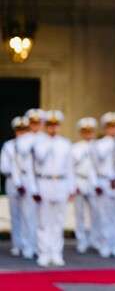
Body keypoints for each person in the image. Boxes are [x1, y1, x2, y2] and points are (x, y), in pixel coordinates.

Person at [31, 110, 74, 267]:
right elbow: (34, 166)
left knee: (58, 221)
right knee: (44, 220)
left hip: (61, 183)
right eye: (50, 125)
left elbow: (70, 168)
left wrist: (71, 188)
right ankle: (44, 253)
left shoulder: (65, 143)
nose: (53, 128)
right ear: (45, 126)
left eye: (56, 125)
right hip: (44, 182)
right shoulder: (39, 143)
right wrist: (34, 189)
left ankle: (56, 253)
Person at [93, 111, 115, 258]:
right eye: (110, 127)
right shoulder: (99, 144)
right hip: (104, 180)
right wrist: (96, 184)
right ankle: (105, 243)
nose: (113, 130)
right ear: (105, 128)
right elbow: (94, 166)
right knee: (104, 216)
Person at [0, 116, 29, 257]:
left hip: (28, 180)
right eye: (19, 130)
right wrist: (16, 171)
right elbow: (4, 167)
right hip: (12, 181)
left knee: (29, 214)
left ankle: (29, 244)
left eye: (24, 130)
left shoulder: (33, 144)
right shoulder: (9, 146)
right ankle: (17, 244)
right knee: (15, 214)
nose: (21, 132)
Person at [15, 111, 41, 259]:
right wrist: (18, 182)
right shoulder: (22, 140)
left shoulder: (46, 139)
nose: (35, 125)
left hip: (43, 180)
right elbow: (16, 164)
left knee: (42, 217)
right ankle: (27, 246)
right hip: (27, 179)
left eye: (37, 122)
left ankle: (40, 246)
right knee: (27, 215)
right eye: (32, 122)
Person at [71, 117, 99, 254]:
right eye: (85, 131)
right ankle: (81, 240)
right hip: (80, 180)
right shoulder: (75, 148)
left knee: (96, 213)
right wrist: (73, 185)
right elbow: (70, 167)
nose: (88, 134)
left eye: (90, 131)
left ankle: (95, 239)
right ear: (81, 132)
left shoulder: (98, 146)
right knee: (79, 213)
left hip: (94, 182)